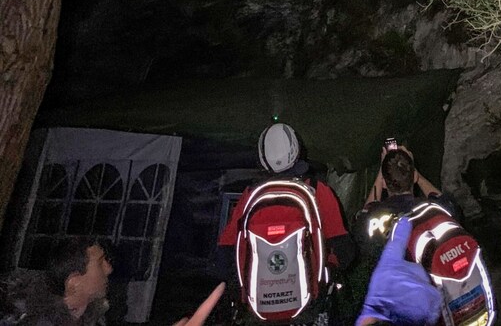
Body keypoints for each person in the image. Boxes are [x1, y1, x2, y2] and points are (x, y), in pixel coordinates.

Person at [217, 122, 355, 272]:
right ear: (296, 149)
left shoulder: (250, 195)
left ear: (262, 157)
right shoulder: (316, 190)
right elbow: (345, 251)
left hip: (257, 293)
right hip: (310, 291)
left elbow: (225, 252)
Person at [0, 238, 225, 326]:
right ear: (74, 283)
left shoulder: (87, 317)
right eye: (100, 263)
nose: (109, 268)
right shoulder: (38, 323)